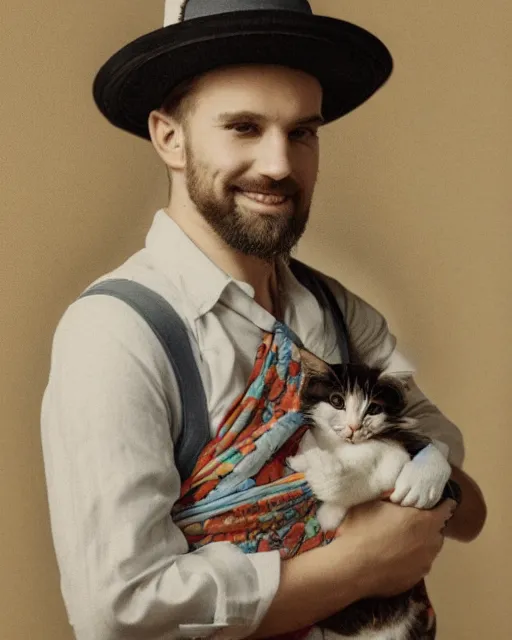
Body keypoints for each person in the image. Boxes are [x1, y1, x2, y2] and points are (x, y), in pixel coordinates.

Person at [40, 1, 486, 639]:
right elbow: (119, 613)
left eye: (301, 131)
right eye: (244, 127)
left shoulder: (336, 312)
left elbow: (466, 502)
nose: (279, 164)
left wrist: (420, 475)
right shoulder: (116, 336)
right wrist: (359, 564)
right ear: (170, 136)